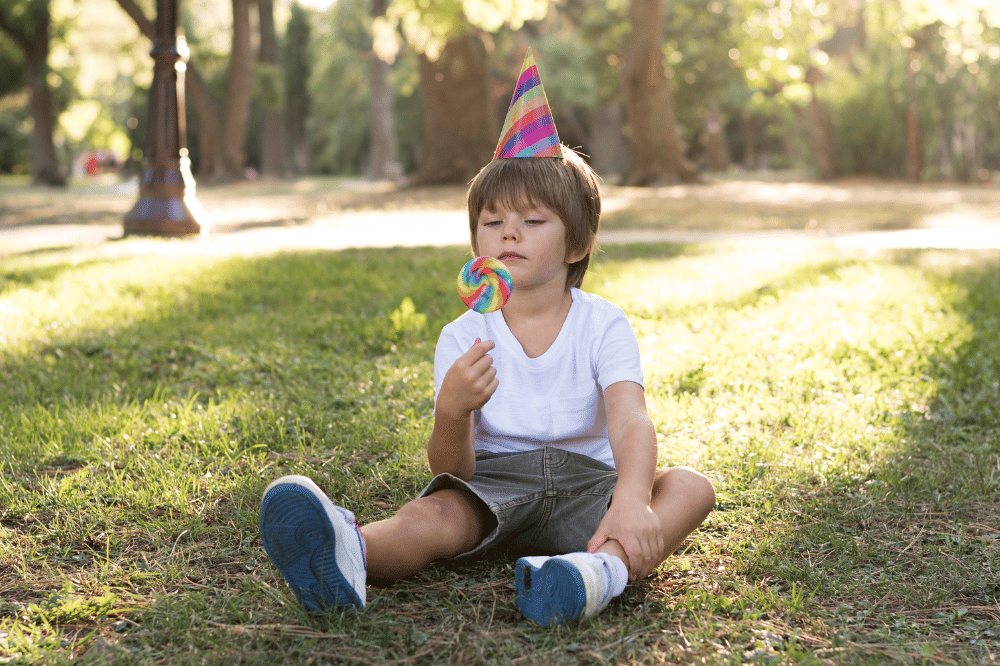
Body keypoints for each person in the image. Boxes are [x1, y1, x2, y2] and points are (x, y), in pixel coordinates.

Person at [258, 50, 716, 626]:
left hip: (590, 486)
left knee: (690, 488)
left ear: (577, 244)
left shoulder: (603, 323)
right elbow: (453, 466)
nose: (510, 234)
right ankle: (351, 553)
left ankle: (594, 574)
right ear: (477, 243)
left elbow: (630, 420)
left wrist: (629, 501)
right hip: (494, 485)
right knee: (432, 515)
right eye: (493, 222)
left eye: (534, 221)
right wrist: (452, 411)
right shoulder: (464, 336)